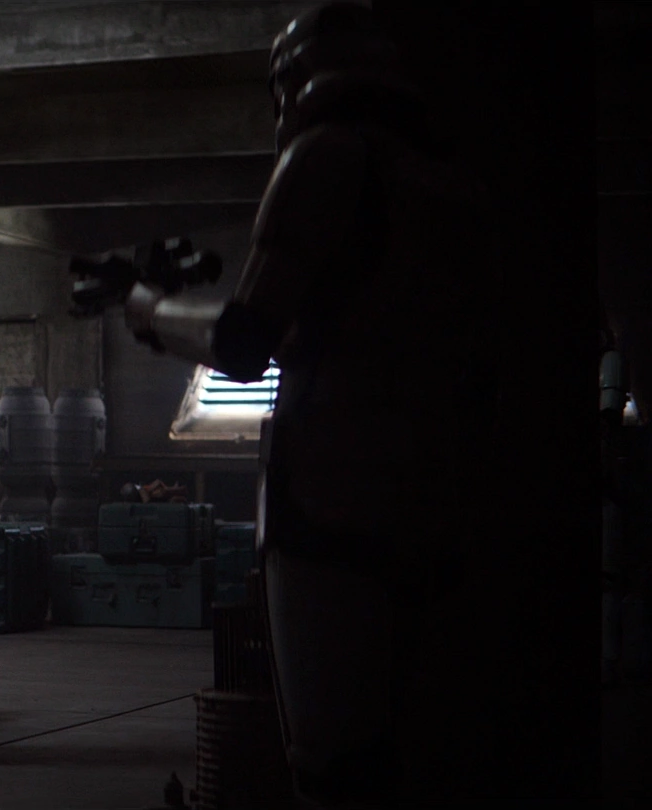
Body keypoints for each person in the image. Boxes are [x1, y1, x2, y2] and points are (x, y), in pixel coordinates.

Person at [118, 3, 515, 805]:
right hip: (446, 486)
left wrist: (148, 309)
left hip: (332, 489)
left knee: (332, 759)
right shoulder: (454, 185)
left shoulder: (327, 156)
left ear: (294, 80)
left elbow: (244, 339)